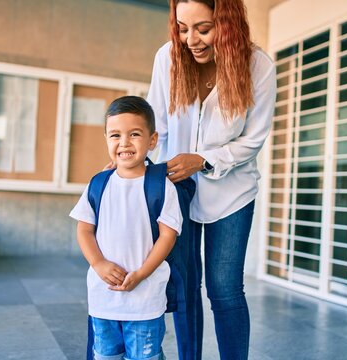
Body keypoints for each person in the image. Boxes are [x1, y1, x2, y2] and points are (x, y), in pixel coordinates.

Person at [146, 0, 277, 359]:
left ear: (228, 22)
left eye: (203, 29)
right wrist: (132, 159)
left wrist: (203, 160)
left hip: (232, 193)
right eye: (183, 28)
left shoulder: (258, 66)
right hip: (177, 191)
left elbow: (252, 139)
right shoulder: (168, 58)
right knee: (186, 286)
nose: (191, 40)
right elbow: (155, 122)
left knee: (224, 289)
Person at [70, 96, 183, 360]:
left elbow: (167, 236)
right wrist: (98, 264)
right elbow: (84, 230)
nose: (124, 143)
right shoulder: (98, 183)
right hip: (104, 299)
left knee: (145, 356)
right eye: (115, 135)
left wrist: (142, 273)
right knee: (105, 355)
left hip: (145, 300)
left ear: (152, 140)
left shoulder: (162, 187)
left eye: (134, 134)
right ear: (107, 139)